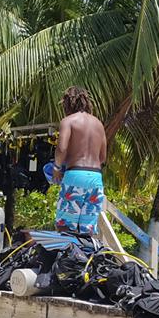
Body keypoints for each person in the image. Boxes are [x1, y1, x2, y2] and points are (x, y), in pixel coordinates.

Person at [53, 86, 107, 235]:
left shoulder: (68, 121)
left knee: (64, 226)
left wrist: (57, 168)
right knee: (87, 229)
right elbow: (103, 157)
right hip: (95, 177)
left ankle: (66, 251)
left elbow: (61, 148)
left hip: (75, 174)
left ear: (67, 103)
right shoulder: (99, 124)